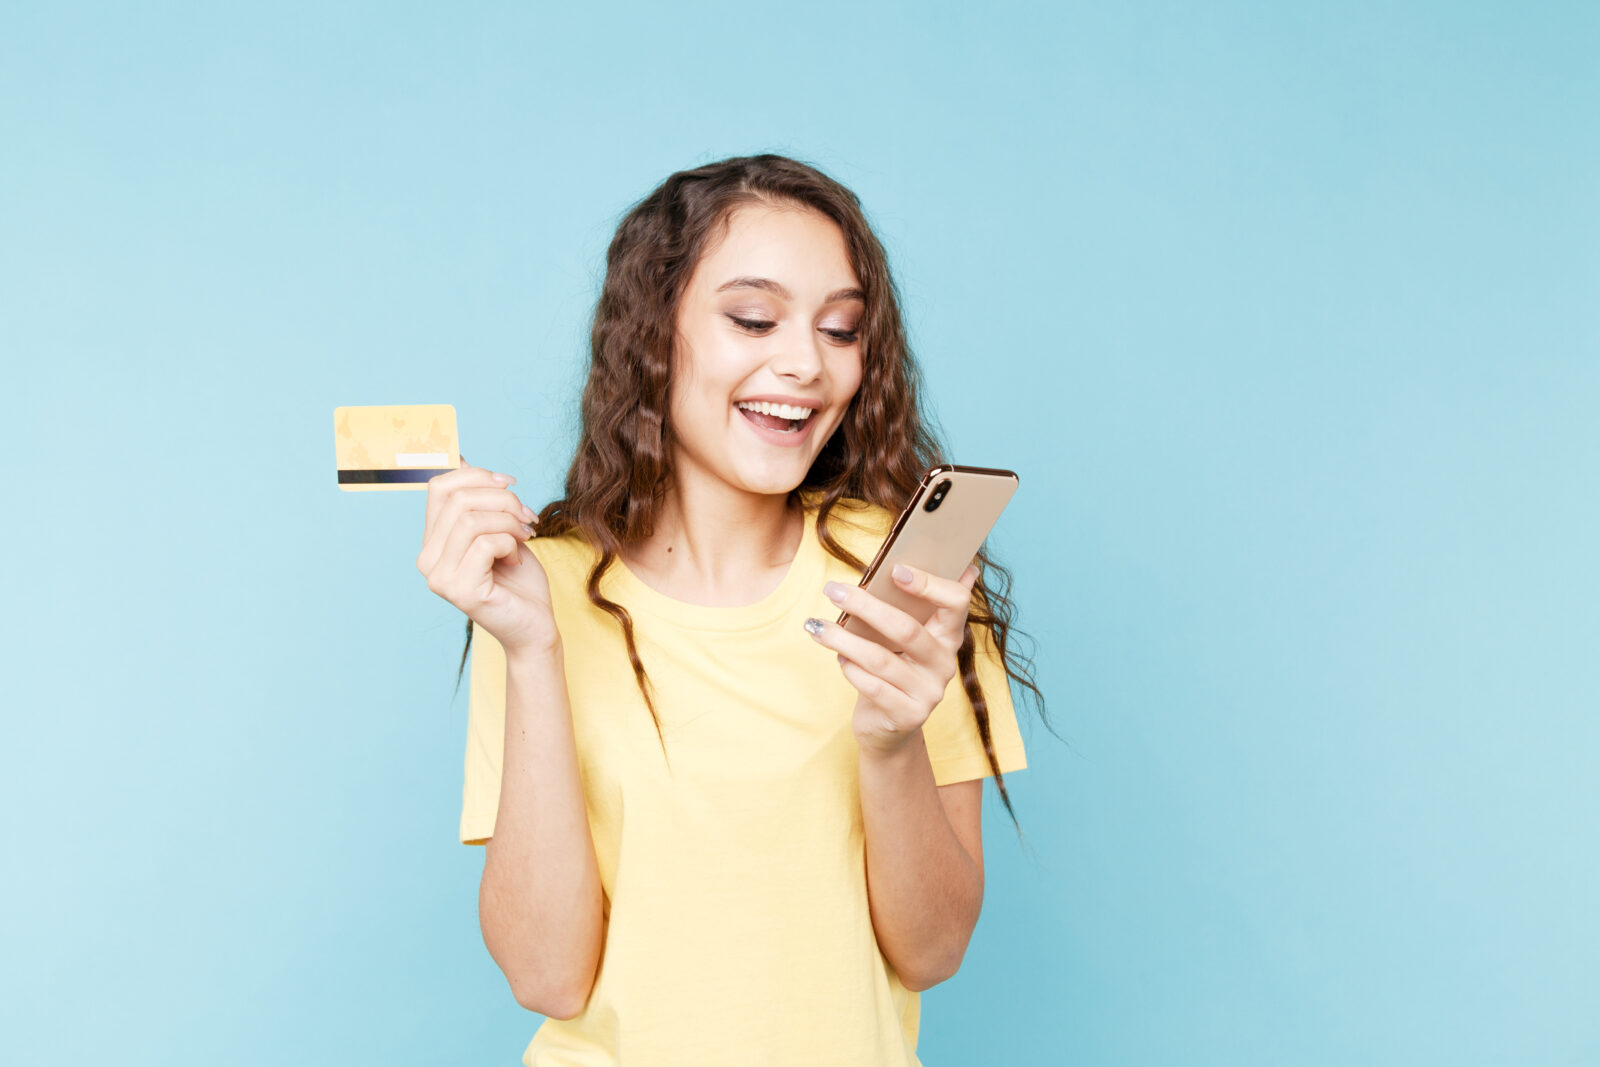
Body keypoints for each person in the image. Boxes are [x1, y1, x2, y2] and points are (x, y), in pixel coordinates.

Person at [417, 153, 1044, 1067]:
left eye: (840, 329)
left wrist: (891, 738)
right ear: (653, 335)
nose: (804, 364)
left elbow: (934, 949)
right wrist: (531, 649)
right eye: (754, 318)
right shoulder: (537, 590)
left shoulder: (909, 580)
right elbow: (548, 978)